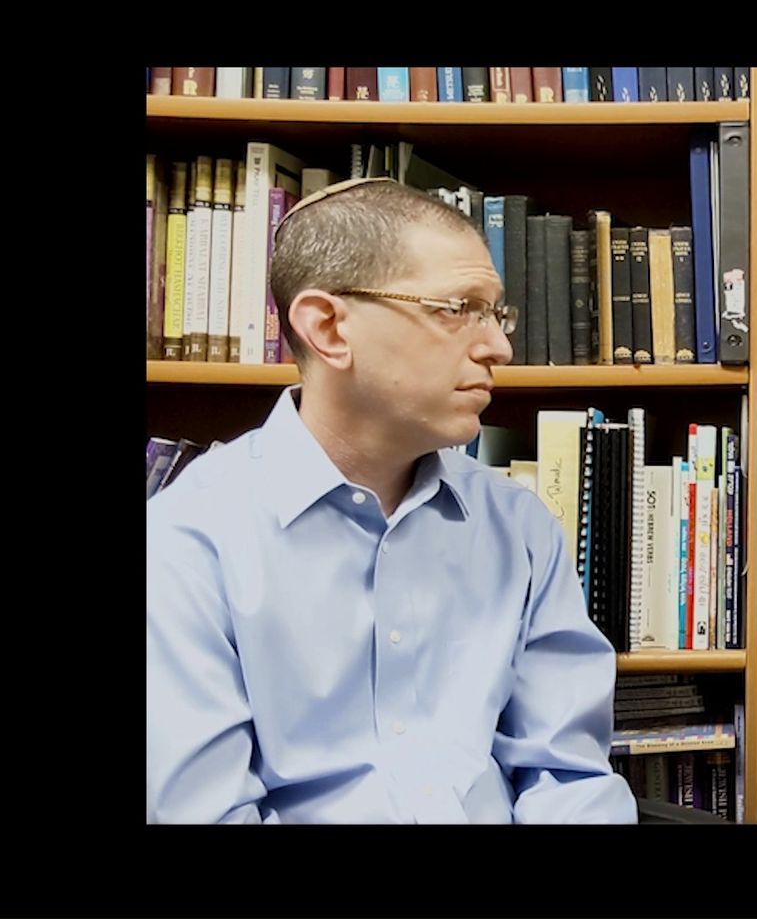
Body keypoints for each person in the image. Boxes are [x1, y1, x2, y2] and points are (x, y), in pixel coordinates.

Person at [147, 178, 637, 824]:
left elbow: (568, 777)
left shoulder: (520, 527)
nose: (499, 347)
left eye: (496, 314)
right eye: (458, 308)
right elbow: (206, 813)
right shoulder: (185, 542)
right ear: (328, 328)